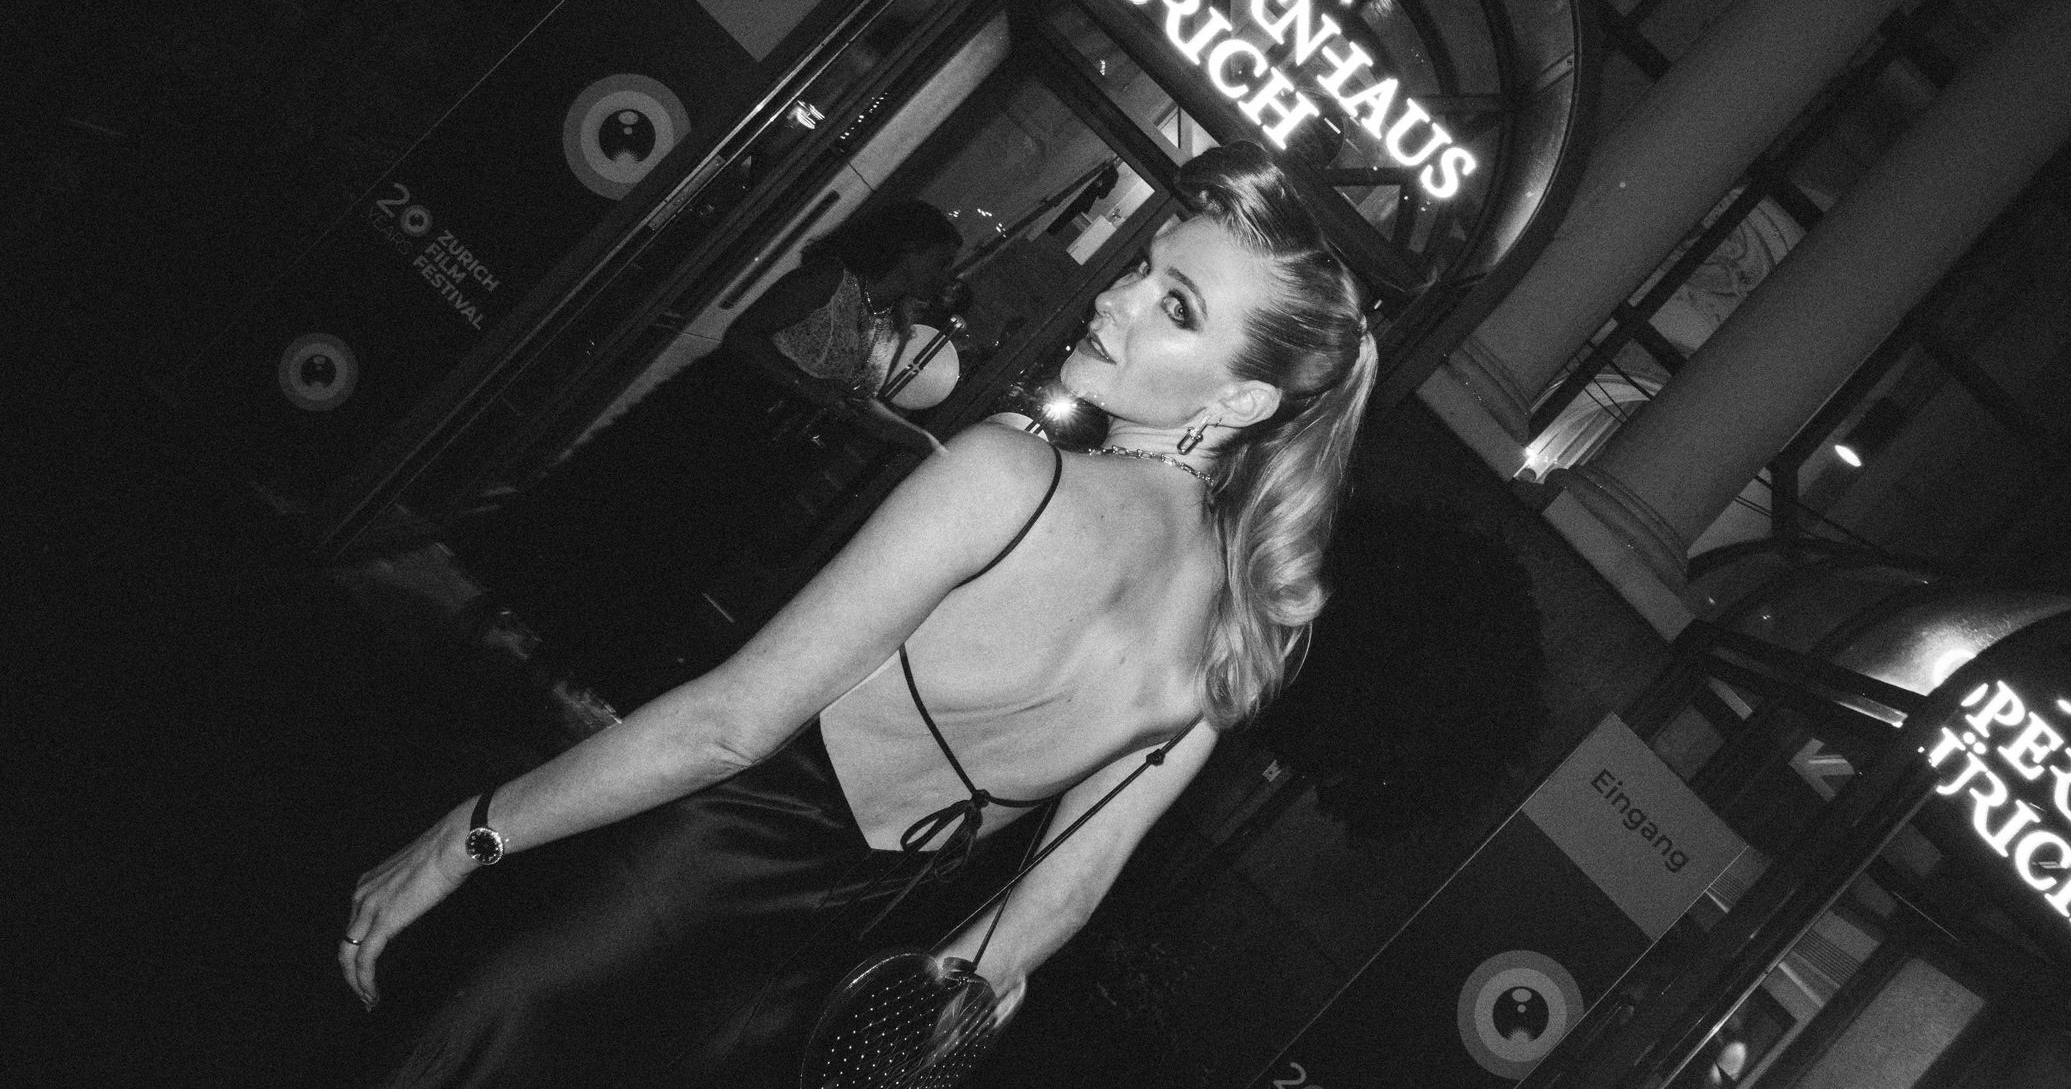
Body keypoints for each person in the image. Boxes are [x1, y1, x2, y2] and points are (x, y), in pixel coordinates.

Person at [339, 142, 1377, 1087]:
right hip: (794, 1008)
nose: (1115, 299)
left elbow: (725, 726)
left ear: (1241, 399)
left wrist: (467, 836)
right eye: (1144, 266)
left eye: (1176, 306)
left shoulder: (1007, 477)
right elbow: (1057, 897)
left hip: (634, 904)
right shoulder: (1237, 633)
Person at [444, 201, 963, 702]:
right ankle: (504, 617)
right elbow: (742, 338)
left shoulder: (890, 321)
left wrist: (923, 442)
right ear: (907, 249)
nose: (945, 275)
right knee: (616, 520)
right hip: (715, 417)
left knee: (666, 557)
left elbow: (857, 401)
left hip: (767, 453)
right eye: (940, 261)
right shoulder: (828, 281)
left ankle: (557, 659)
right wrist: (812, 392)